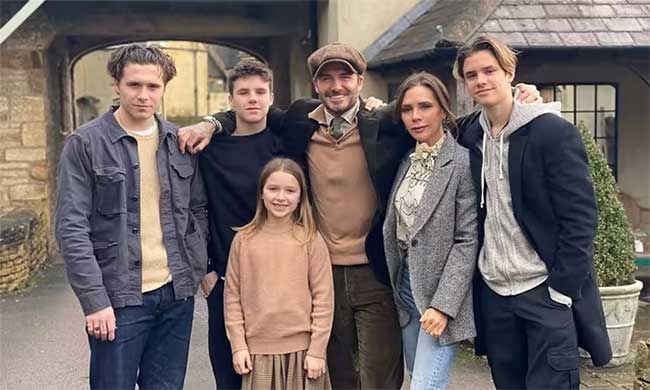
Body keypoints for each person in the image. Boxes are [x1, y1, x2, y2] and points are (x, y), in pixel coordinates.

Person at [180, 42, 541, 389]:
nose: (336, 86)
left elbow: (441, 119)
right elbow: (248, 108)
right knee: (335, 374)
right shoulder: (298, 121)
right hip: (320, 271)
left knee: (379, 374)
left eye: (345, 77)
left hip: (376, 270)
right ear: (316, 84)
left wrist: (510, 99)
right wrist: (209, 124)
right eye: (327, 78)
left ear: (359, 80)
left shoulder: (385, 122)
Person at [453, 35, 612, 389]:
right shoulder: (468, 136)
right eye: (471, 74)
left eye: (489, 70)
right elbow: (422, 120)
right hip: (495, 295)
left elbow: (581, 217)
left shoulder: (551, 132)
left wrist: (562, 289)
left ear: (509, 72)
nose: (481, 80)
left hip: (543, 290)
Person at [55, 43, 209, 389]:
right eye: (134, 85)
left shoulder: (178, 142)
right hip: (118, 300)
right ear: (116, 84)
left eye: (153, 86)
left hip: (175, 296)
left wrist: (198, 266)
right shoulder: (85, 144)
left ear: (163, 87)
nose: (143, 95)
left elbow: (197, 210)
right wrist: (94, 302)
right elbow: (71, 228)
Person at [383, 72, 478, 389]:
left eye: (425, 106)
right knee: (419, 379)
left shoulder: (463, 163)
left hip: (440, 295)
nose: (415, 116)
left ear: (443, 109)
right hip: (406, 288)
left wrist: (444, 305)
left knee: (425, 385)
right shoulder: (406, 161)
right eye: (407, 109)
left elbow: (467, 241)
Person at [198, 60, 283, 390]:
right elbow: (193, 209)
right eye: (243, 92)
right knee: (229, 376)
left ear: (271, 97)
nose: (253, 99)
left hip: (277, 278)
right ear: (230, 99)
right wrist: (203, 271)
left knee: (273, 375)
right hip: (223, 278)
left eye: (260, 92)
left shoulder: (285, 145)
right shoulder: (210, 149)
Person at [224, 157, 334, 390]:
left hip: (303, 355)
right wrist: (238, 345)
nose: (281, 197)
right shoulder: (244, 241)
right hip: (258, 355)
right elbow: (232, 298)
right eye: (273, 189)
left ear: (300, 197)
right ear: (261, 193)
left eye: (290, 190)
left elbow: (324, 300)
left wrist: (317, 351)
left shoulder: (310, 240)